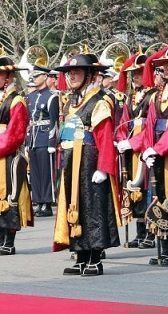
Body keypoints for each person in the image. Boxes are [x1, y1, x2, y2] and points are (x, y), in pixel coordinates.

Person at [118, 43, 168, 266]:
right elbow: (150, 126)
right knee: (159, 196)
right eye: (162, 64)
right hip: (158, 151)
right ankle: (163, 247)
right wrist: (147, 149)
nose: (164, 68)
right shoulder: (156, 96)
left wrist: (159, 147)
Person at [52, 51, 120, 276]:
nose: (72, 76)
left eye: (77, 72)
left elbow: (105, 136)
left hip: (90, 161)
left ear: (90, 75)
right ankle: (80, 255)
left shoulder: (99, 101)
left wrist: (103, 167)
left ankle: (94, 258)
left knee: (92, 207)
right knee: (75, 206)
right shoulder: (72, 101)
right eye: (70, 72)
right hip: (72, 161)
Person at [115, 50, 157, 249]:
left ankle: (150, 232)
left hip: (144, 146)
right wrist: (122, 139)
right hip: (131, 148)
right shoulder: (131, 98)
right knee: (134, 190)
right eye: (134, 74)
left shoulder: (152, 96)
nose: (136, 77)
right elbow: (123, 122)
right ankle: (140, 232)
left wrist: (133, 143)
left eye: (140, 73)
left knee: (147, 189)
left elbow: (150, 126)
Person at [0, 53, 32, 256]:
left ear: (9, 77)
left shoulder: (16, 100)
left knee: (10, 195)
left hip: (9, 154)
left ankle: (8, 240)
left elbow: (16, 133)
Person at [25, 65, 59, 217]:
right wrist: (27, 141)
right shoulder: (30, 97)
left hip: (45, 138)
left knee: (46, 172)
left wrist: (52, 143)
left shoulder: (52, 96)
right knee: (35, 173)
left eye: (37, 75)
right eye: (34, 76)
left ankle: (47, 203)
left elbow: (54, 121)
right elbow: (28, 121)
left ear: (45, 77)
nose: (34, 78)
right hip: (33, 138)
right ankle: (39, 201)